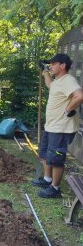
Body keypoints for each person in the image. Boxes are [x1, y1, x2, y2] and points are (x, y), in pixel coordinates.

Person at [31, 53, 83, 198]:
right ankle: (47, 179)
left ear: (63, 65)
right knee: (45, 154)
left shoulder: (68, 80)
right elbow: (49, 85)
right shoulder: (58, 81)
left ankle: (55, 188)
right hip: (52, 126)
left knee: (56, 159)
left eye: (53, 64)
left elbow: (80, 95)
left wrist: (68, 109)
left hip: (61, 128)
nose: (51, 66)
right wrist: (45, 71)